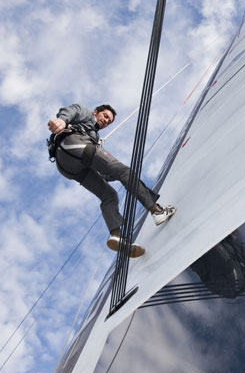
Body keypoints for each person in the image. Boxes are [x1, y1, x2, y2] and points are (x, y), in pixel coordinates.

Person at [48, 102, 175, 257]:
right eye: (105, 116)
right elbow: (73, 111)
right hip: (73, 144)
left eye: (108, 121)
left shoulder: (94, 135)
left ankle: (117, 236)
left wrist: (114, 175)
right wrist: (62, 120)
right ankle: (157, 211)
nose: (105, 121)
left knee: (109, 195)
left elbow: (104, 174)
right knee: (124, 171)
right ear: (96, 112)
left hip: (70, 167)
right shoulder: (87, 115)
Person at [191, 230, 245, 310]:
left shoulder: (238, 248)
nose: (235, 230)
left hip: (229, 279)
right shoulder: (229, 244)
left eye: (235, 229)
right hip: (199, 241)